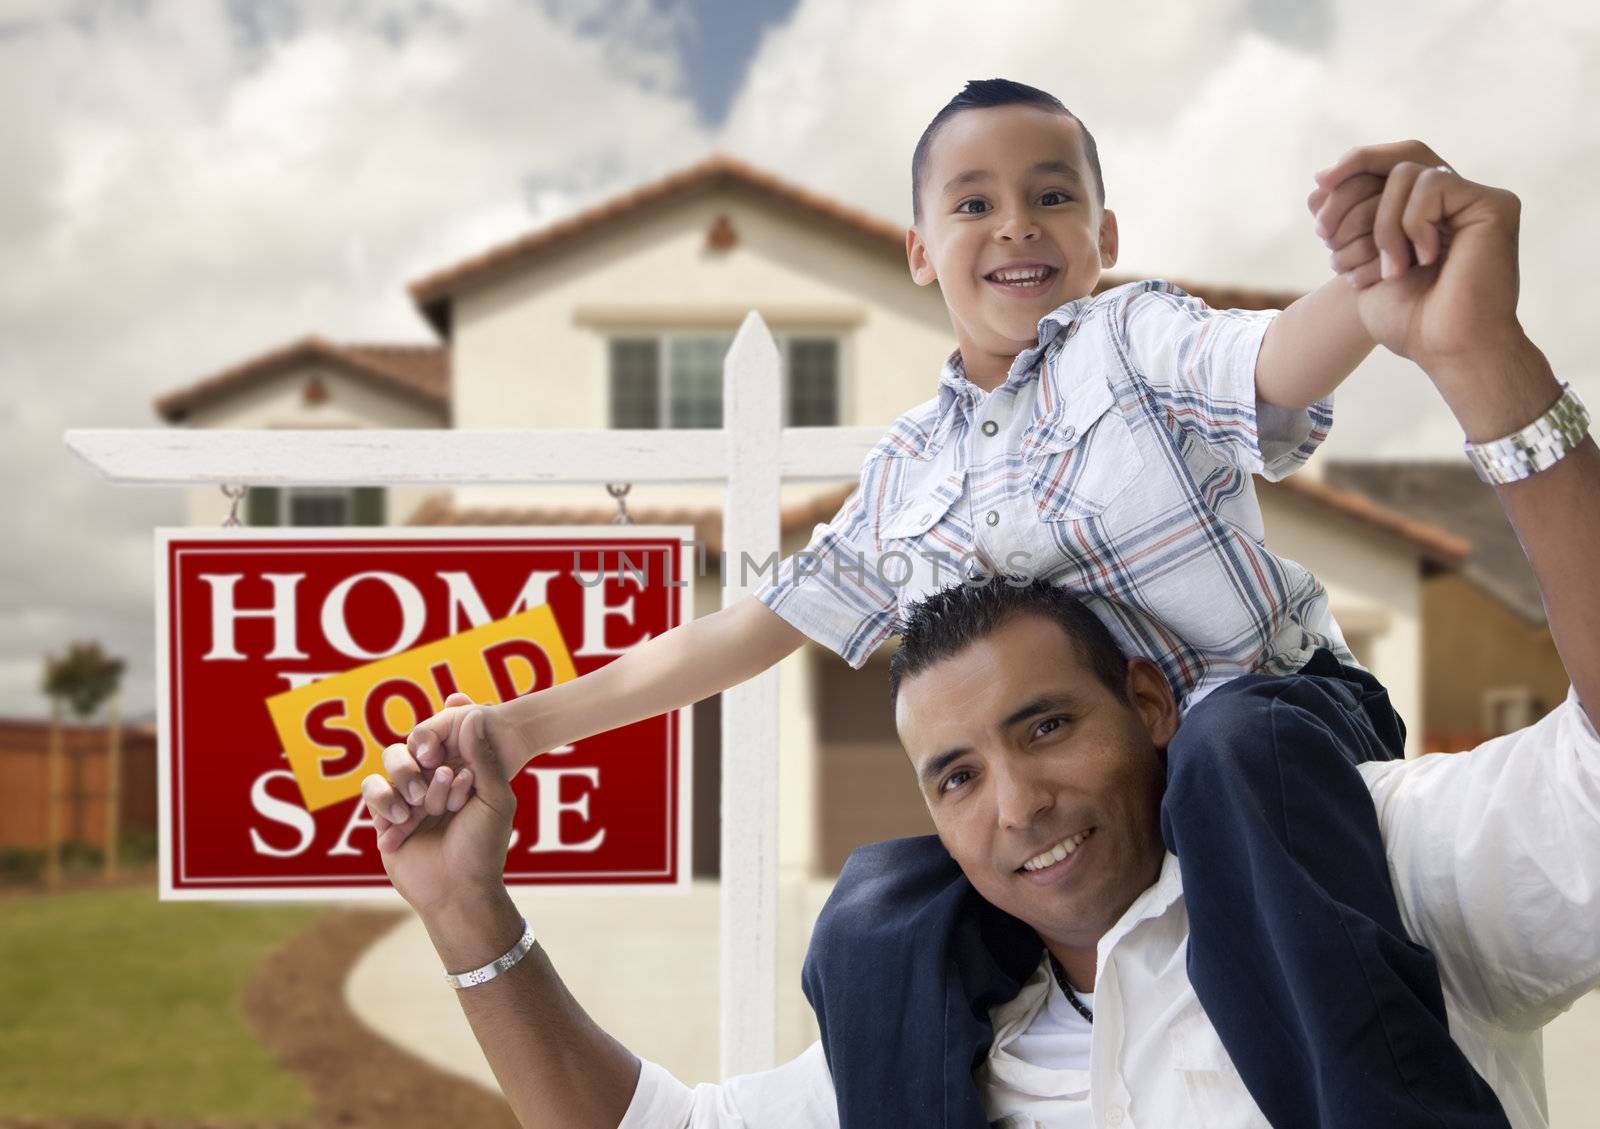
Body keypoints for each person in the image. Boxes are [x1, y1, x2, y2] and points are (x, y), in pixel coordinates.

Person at [363, 145, 1600, 1128]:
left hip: (1279, 742)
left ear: (1104, 238)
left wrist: (1417, 315)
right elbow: (737, 633)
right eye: (973, 203)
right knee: (871, 903)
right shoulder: (911, 475)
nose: (1014, 225)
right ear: (918, 250)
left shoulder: (1132, 345)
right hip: (1176, 776)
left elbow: (1274, 355)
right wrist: (508, 748)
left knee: (1236, 753)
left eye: (1051, 195)